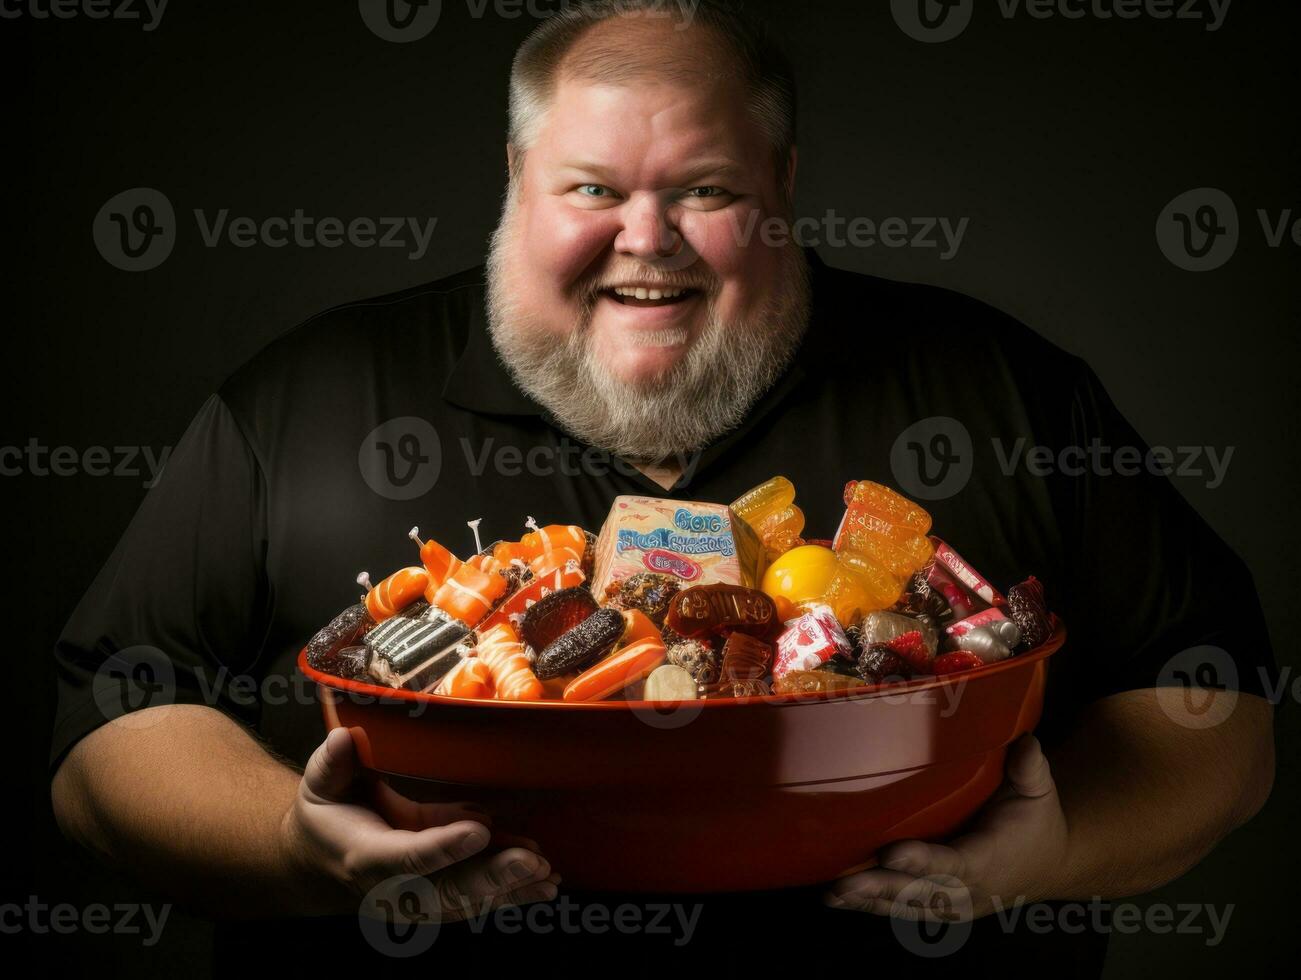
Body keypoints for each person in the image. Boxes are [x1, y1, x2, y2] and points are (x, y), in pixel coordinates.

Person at [50, 1, 1274, 974]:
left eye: (706, 189)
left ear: (782, 185)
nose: (648, 238)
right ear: (516, 176)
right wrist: (292, 847)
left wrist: (1055, 857)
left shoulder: (1000, 387)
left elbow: (1214, 707)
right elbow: (103, 727)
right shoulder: (306, 397)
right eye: (592, 187)